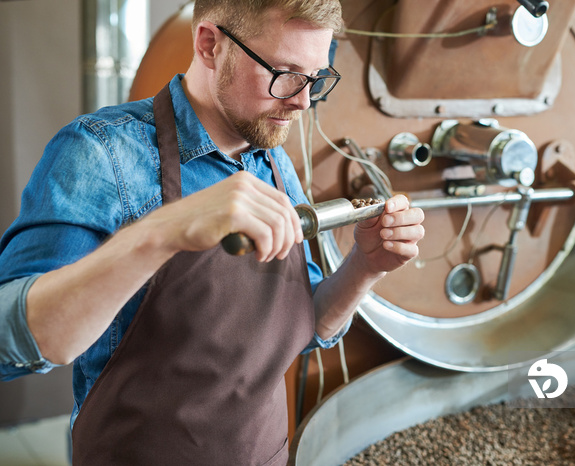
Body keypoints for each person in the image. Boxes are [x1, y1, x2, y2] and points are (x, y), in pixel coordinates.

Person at [0, 0, 425, 464]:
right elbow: (11, 341)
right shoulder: (100, 153)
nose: (303, 100)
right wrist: (162, 231)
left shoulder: (273, 160)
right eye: (284, 73)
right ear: (209, 45)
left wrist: (366, 268)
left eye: (315, 77)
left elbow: (303, 327)